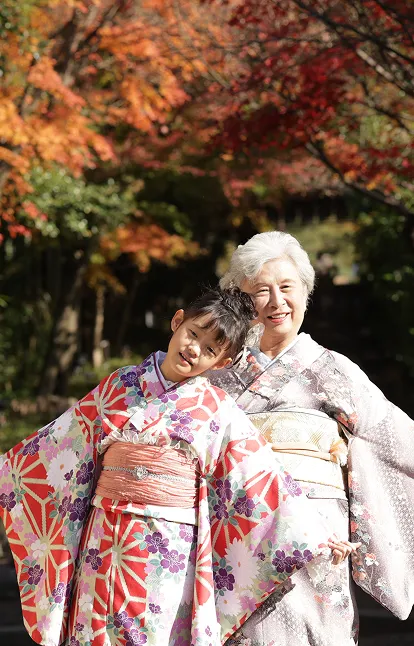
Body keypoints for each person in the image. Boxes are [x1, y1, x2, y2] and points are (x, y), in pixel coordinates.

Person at [0, 286, 354, 646]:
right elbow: (60, 446)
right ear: (177, 321)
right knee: (94, 630)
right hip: (103, 537)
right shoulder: (119, 385)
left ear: (221, 363)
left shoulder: (216, 408)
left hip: (167, 549)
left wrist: (317, 533)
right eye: (193, 333)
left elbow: (259, 479)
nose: (193, 348)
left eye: (210, 349)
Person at [209, 232, 414, 646]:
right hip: (233, 541)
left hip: (316, 544)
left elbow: (396, 442)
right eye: (260, 291)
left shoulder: (335, 371)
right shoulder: (214, 374)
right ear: (239, 299)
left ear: (306, 292)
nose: (276, 302)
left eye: (287, 288)